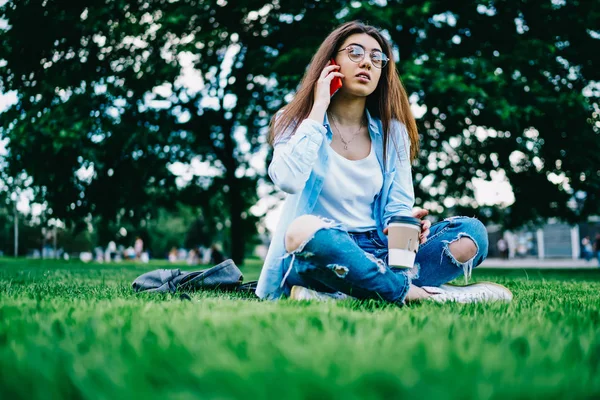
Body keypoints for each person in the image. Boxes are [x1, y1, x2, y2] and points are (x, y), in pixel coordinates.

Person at [256, 21, 512, 304]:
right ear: (331, 62)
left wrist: (407, 225)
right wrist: (318, 107)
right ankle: (420, 294)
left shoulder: (393, 132)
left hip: (379, 250)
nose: (366, 61)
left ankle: (347, 293)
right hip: (324, 246)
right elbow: (287, 181)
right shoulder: (294, 121)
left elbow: (398, 206)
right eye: (354, 52)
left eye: (376, 58)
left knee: (471, 233)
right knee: (301, 230)